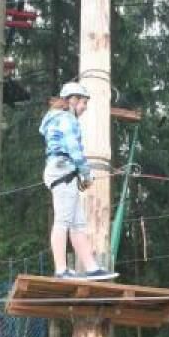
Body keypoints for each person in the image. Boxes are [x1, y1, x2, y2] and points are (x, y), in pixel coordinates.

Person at [39, 81, 118, 281]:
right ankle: (61, 269)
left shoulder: (57, 118)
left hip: (64, 173)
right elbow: (73, 147)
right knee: (63, 221)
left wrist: (80, 174)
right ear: (72, 100)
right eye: (83, 103)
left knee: (78, 224)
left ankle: (91, 267)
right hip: (63, 172)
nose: (85, 108)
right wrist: (86, 174)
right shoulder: (66, 118)